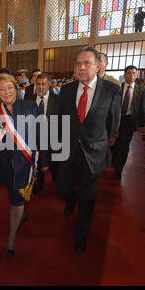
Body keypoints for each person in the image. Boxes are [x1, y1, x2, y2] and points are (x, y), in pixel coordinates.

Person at [57, 46, 121, 253]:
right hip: (67, 150)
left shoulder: (111, 91)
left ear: (98, 66)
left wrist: (97, 140)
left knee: (88, 196)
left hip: (93, 152)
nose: (81, 67)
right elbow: (60, 120)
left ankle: (81, 233)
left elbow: (112, 123)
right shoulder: (66, 91)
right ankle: (70, 199)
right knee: (64, 187)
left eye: (87, 63)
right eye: (78, 64)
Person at [0, 73, 49, 256]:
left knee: (16, 200)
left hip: (26, 163)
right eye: (2, 89)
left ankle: (11, 237)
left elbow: (42, 133)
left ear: (15, 88)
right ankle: (22, 214)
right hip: (6, 164)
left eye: (9, 87)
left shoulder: (30, 106)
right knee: (15, 196)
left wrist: (45, 161)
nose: (7, 92)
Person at [110, 65, 145, 179]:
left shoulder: (140, 90)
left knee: (124, 146)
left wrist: (140, 124)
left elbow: (142, 108)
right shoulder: (118, 88)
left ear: (136, 75)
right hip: (116, 119)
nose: (131, 75)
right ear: (125, 75)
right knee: (115, 144)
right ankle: (114, 160)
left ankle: (119, 170)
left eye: (134, 73)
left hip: (129, 120)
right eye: (129, 73)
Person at [25, 72, 59, 191]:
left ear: (49, 84)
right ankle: (38, 185)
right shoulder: (29, 99)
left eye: (43, 84)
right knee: (37, 165)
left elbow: (61, 119)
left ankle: (57, 184)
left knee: (54, 167)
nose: (40, 87)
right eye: (38, 84)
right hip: (34, 138)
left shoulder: (57, 100)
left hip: (52, 139)